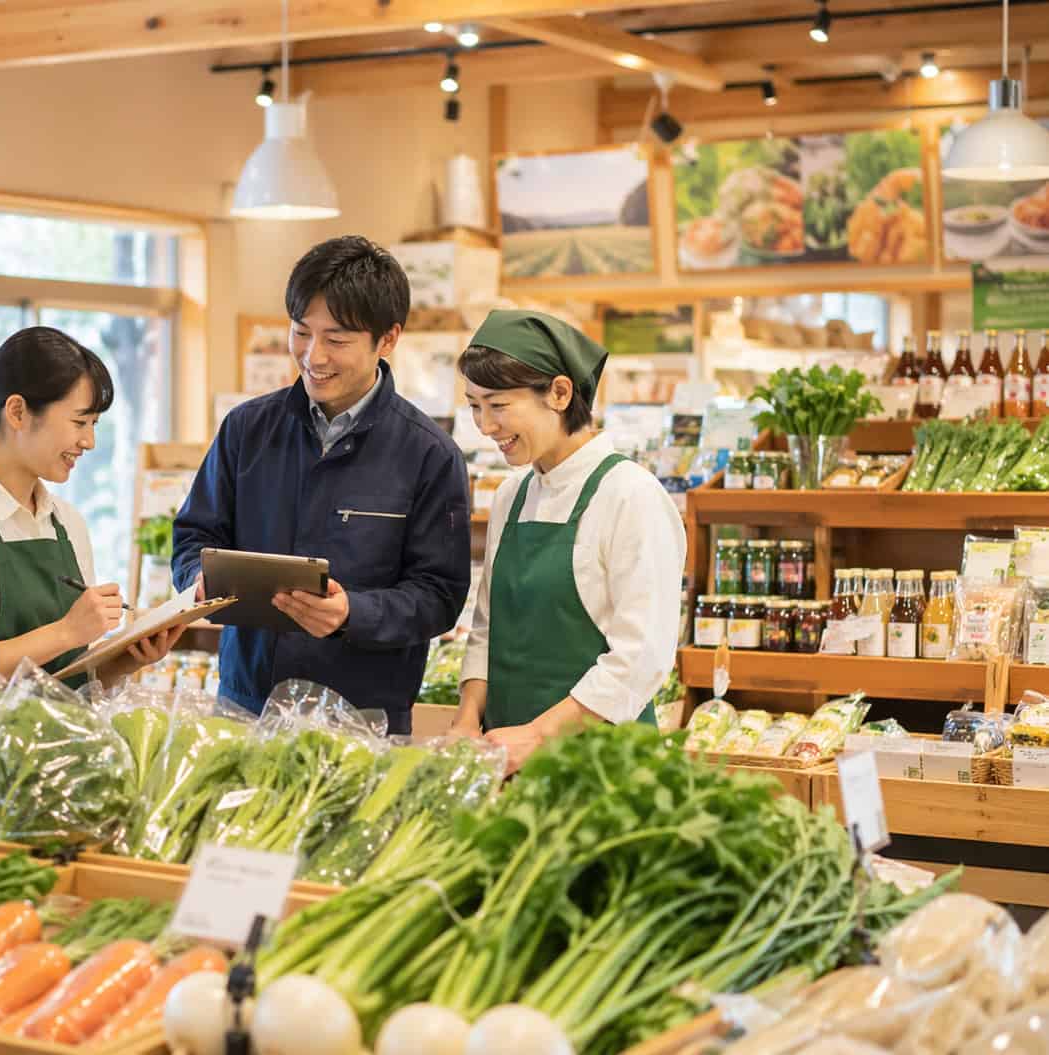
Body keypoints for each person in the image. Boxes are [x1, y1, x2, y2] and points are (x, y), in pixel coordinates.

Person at [172, 236, 472, 733]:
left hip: (365, 717)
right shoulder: (247, 429)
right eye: (300, 332)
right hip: (246, 704)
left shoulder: (429, 454)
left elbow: (439, 595)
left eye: (336, 340)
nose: (313, 356)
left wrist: (353, 611)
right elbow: (192, 538)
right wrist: (196, 582)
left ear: (388, 338)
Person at [0, 326, 183, 701]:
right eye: (79, 422)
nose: (89, 442)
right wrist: (65, 632)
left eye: (94, 425)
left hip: (59, 753)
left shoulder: (68, 522)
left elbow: (64, 681)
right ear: (17, 412)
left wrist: (124, 660)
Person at [448, 309, 685, 771]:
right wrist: (466, 718)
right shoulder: (512, 495)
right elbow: (487, 627)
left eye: (497, 406)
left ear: (559, 393)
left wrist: (537, 737)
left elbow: (641, 656)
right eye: (474, 406)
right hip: (506, 757)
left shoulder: (630, 495)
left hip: (603, 768)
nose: (484, 425)